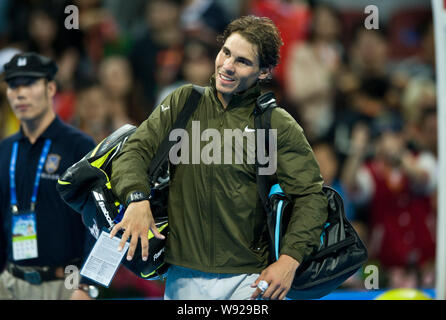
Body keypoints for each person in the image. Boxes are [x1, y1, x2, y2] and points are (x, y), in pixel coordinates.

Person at [109, 16, 328, 300]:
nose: (227, 66)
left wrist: (289, 260)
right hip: (183, 277)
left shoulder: (276, 123)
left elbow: (311, 196)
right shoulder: (183, 102)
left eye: (243, 61)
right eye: (225, 52)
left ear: (263, 72)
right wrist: (137, 198)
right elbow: (133, 151)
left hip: (250, 280)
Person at [0, 52, 97, 299]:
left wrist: (87, 284)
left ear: (51, 88)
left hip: (65, 285)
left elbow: (102, 221)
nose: (20, 93)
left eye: (30, 84)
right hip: (9, 283)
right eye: (13, 86)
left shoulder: (80, 146)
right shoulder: (5, 150)